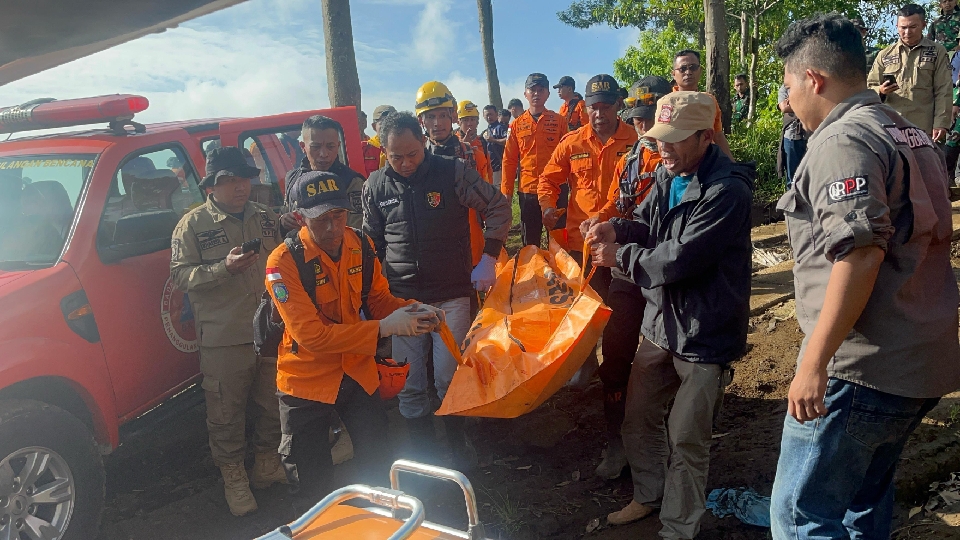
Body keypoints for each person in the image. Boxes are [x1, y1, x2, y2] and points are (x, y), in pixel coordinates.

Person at [770, 14, 960, 539]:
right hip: (919, 357)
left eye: (788, 87)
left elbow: (860, 255)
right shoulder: (911, 134)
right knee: (863, 506)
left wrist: (813, 363)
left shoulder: (842, 140)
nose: (787, 102)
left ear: (814, 79)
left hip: (861, 370)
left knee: (800, 518)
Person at [583, 92, 754, 535]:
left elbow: (678, 258)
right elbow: (645, 223)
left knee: (686, 437)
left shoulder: (727, 190)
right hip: (661, 323)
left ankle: (678, 527)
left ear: (705, 137)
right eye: (660, 139)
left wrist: (618, 255)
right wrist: (615, 226)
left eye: (675, 140)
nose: (664, 148)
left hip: (704, 328)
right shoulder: (666, 174)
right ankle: (648, 495)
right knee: (638, 417)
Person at [266, 169, 442, 502]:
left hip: (357, 370)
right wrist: (385, 328)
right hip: (306, 380)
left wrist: (415, 309)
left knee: (377, 465)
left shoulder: (359, 243)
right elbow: (312, 336)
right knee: (312, 481)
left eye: (338, 215)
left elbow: (377, 300)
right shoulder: (283, 263)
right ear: (300, 217)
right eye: (321, 219)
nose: (332, 227)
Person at [362, 111, 511, 473]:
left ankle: (458, 442)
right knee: (408, 382)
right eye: (395, 156)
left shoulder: (451, 172)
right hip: (403, 300)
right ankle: (422, 450)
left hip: (451, 293)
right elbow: (370, 244)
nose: (405, 163)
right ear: (384, 150)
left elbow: (498, 205)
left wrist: (489, 257)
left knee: (449, 377)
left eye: (412, 153)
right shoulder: (376, 185)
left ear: (424, 142)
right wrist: (369, 295)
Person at [170, 147, 287, 517]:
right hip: (225, 337)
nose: (241, 187)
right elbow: (179, 275)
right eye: (231, 180)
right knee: (226, 411)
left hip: (268, 330)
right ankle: (233, 476)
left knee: (273, 402)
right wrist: (224, 268)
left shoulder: (266, 217)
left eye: (245, 178)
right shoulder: (192, 224)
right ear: (212, 186)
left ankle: (267, 462)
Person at [590, 75, 671, 481]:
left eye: (649, 117)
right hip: (627, 268)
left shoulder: (680, 159)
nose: (642, 126)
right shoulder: (629, 158)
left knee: (672, 361)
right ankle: (616, 442)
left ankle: (670, 442)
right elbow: (617, 204)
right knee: (616, 352)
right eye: (636, 119)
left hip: (670, 273)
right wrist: (602, 222)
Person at [540, 74, 637, 278]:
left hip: (625, 240)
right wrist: (547, 206)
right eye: (594, 107)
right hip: (582, 242)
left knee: (624, 306)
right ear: (586, 107)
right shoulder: (572, 143)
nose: (599, 114)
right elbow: (548, 179)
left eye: (606, 107)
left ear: (618, 104)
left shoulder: (635, 140)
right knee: (588, 306)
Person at [868, 4, 953, 140]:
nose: (907, 32)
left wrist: (941, 124)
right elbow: (868, 88)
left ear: (924, 25)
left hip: (924, 129)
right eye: (903, 27)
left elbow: (944, 90)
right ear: (897, 27)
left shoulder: (937, 52)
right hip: (891, 128)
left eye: (913, 27)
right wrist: (880, 90)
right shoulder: (885, 55)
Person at [501, 73, 568, 246]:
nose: (536, 94)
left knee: (559, 241)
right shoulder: (516, 125)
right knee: (530, 244)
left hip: (556, 190)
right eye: (532, 90)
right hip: (528, 191)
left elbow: (569, 156)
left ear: (547, 94)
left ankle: (560, 272)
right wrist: (506, 192)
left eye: (541, 90)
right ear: (525, 94)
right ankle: (532, 273)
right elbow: (509, 160)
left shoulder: (559, 121)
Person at [280, 115, 366, 231]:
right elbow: (286, 211)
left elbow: (357, 231)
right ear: (303, 147)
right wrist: (283, 220)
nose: (324, 154)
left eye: (330, 146)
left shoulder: (351, 181)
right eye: (316, 147)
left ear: (338, 146)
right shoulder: (292, 178)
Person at [671, 50, 735, 159]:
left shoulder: (708, 100)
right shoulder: (666, 102)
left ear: (700, 70)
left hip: (708, 161)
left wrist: (733, 166)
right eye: (683, 69)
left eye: (693, 67)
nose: (688, 72)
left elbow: (718, 134)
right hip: (678, 161)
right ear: (673, 74)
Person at [456, 100, 494, 184]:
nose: (469, 123)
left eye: (472, 119)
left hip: (482, 193)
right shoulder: (453, 143)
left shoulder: (482, 142)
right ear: (459, 122)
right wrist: (463, 147)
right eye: (465, 120)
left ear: (477, 122)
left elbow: (489, 171)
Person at [777, 84, 808, 187]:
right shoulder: (785, 88)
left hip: (811, 135)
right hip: (791, 136)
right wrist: (806, 102)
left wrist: (793, 101)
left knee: (811, 175)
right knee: (792, 179)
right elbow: (784, 107)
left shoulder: (810, 84)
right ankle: (793, 202)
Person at [362, 105, 397, 178]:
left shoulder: (406, 148)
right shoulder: (363, 149)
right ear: (374, 126)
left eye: (392, 123)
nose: (388, 127)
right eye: (383, 123)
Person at [482, 104, 509, 192]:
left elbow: (508, 141)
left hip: (499, 166)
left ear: (496, 114)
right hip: (490, 167)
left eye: (491, 114)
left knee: (498, 192)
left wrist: (493, 140)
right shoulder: (487, 129)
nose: (489, 117)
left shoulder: (500, 127)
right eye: (487, 115)